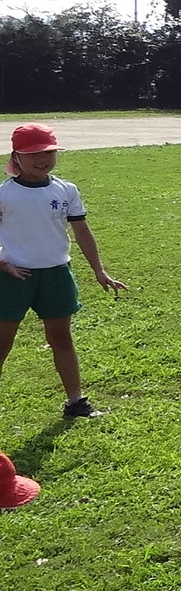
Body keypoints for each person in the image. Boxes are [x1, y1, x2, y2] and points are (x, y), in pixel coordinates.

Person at [0, 123, 126, 419]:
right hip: (13, 277)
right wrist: (2, 263)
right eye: (34, 155)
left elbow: (81, 230)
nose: (43, 160)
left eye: (49, 152)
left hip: (56, 274)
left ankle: (76, 402)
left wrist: (100, 271)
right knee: (3, 343)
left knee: (61, 339)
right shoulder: (5, 195)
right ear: (16, 156)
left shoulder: (66, 190)